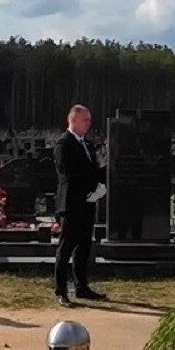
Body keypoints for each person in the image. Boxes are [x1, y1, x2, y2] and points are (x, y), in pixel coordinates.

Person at [53, 105, 107, 307]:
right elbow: (68, 174)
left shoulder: (87, 144)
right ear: (73, 120)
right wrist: (90, 189)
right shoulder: (64, 144)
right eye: (85, 120)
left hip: (88, 203)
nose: (89, 123)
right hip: (72, 203)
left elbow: (92, 170)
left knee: (84, 246)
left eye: (89, 120)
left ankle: (81, 286)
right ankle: (61, 290)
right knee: (66, 247)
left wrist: (102, 183)